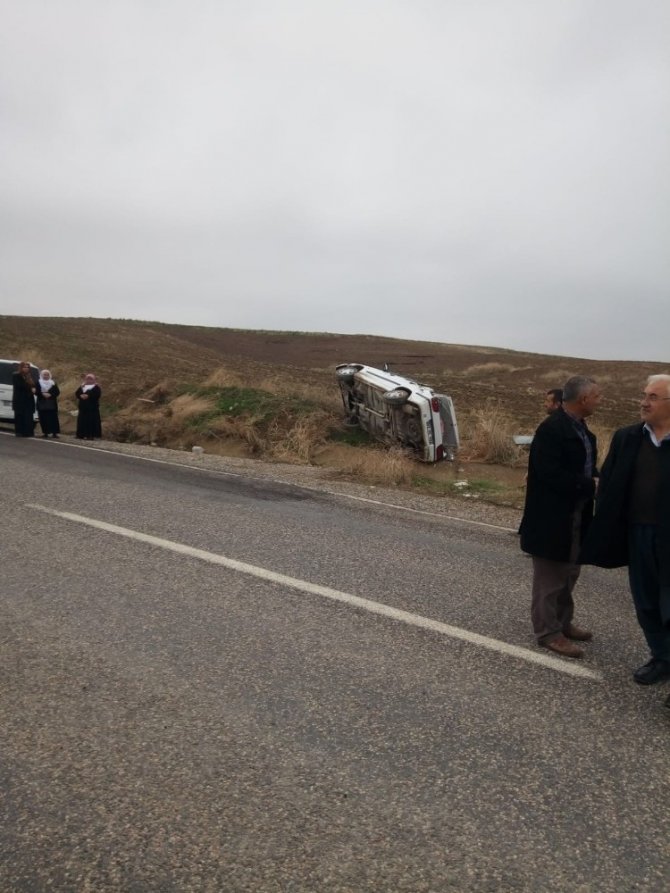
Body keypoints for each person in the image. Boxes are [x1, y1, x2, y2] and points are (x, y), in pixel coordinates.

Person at [580, 374, 670, 702]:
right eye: (644, 395)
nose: (644, 402)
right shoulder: (627, 437)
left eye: (654, 397)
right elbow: (609, 481)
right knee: (645, 601)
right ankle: (661, 656)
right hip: (637, 533)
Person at [519, 376, 601, 657]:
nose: (600, 401)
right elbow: (550, 475)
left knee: (570, 572)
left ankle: (563, 622)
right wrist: (590, 485)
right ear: (583, 400)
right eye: (597, 396)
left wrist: (597, 481)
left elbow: (588, 466)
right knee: (550, 577)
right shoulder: (551, 430)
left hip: (577, 515)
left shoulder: (582, 430)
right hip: (551, 518)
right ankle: (547, 632)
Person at [11, 361, 37, 437]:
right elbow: (20, 385)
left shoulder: (29, 376)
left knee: (28, 416)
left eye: (28, 367)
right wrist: (30, 389)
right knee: (19, 416)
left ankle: (28, 432)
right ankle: (19, 431)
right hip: (20, 399)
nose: (26, 369)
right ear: (21, 367)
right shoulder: (16, 375)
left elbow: (33, 385)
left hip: (28, 399)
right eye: (24, 367)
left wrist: (34, 389)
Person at [75, 373, 102, 440]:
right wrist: (80, 396)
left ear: (94, 380)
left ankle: (90, 435)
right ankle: (80, 434)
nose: (89, 380)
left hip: (92, 408)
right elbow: (77, 393)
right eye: (88, 379)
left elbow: (97, 395)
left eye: (91, 379)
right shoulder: (82, 386)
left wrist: (88, 396)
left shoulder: (96, 387)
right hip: (83, 407)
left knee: (91, 422)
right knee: (81, 421)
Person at [36, 369, 61, 438]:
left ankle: (54, 433)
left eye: (47, 375)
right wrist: (42, 394)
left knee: (53, 418)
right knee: (43, 418)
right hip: (42, 402)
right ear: (41, 375)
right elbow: (36, 392)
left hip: (52, 403)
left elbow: (57, 392)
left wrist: (50, 395)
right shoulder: (38, 382)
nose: (46, 376)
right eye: (44, 375)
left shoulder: (53, 383)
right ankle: (45, 433)